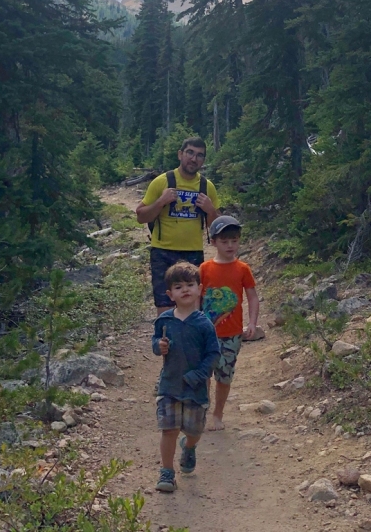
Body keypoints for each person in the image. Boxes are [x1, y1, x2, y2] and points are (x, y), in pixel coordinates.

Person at [152, 262, 220, 492]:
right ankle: (167, 472)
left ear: (199, 289)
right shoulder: (164, 321)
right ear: (171, 294)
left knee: (194, 430)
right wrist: (158, 346)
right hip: (169, 384)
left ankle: (189, 447)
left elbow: (213, 354)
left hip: (196, 388)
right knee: (168, 428)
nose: (185, 290)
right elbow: (155, 343)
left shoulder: (204, 324)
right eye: (179, 287)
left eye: (190, 285)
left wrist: (199, 375)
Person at [136, 137, 220, 316]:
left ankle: (190, 343)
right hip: (162, 252)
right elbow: (141, 216)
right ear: (180, 154)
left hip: (193, 253)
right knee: (165, 307)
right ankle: (166, 342)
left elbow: (215, 230)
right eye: (190, 152)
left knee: (192, 308)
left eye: (199, 155)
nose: (194, 159)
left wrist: (210, 210)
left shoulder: (207, 187)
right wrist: (161, 202)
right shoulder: (161, 182)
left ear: (203, 160)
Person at [199, 215, 259, 431]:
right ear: (213, 242)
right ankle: (203, 412)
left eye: (234, 240)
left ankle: (218, 414)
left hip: (232, 334)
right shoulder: (204, 269)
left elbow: (252, 296)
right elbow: (195, 299)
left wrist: (252, 322)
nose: (230, 245)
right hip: (205, 334)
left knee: (224, 376)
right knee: (204, 373)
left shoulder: (243, 269)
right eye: (224, 241)